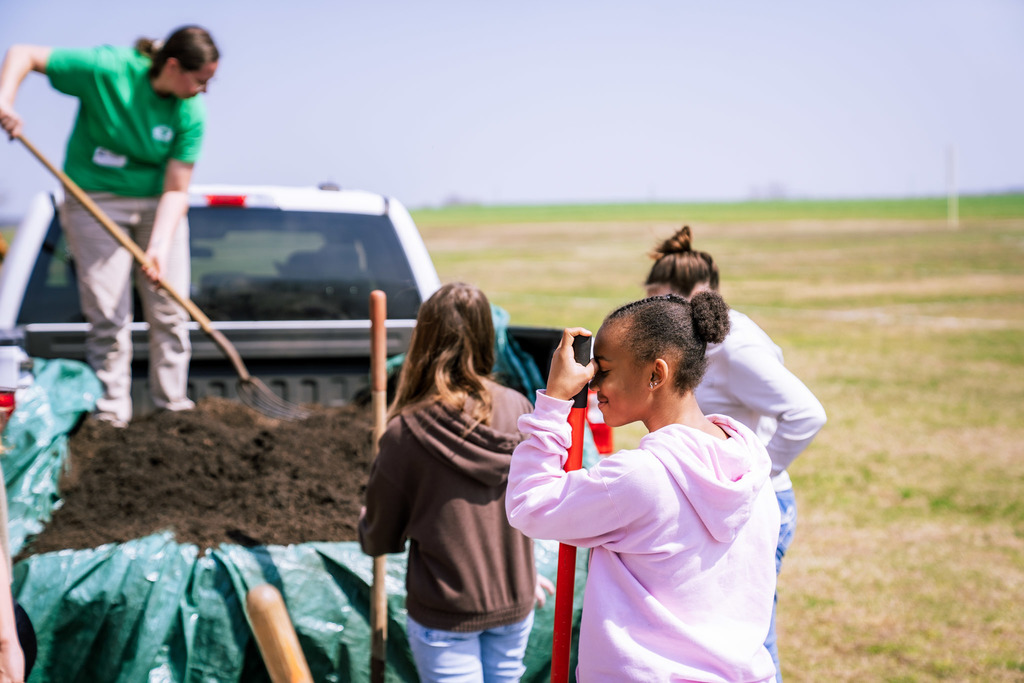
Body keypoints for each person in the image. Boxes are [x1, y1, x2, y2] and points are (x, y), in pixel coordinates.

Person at [506, 293, 780, 681]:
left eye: (603, 370)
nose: (593, 384)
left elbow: (528, 504)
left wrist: (554, 401)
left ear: (656, 374)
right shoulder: (753, 469)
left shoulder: (639, 478)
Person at [0, 26, 220, 427]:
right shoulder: (107, 69)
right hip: (94, 199)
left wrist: (157, 248)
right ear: (173, 66)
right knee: (108, 313)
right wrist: (5, 100)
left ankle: (173, 409)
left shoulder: (191, 111)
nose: (204, 90)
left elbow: (176, 190)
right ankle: (112, 413)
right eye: (200, 79)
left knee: (170, 310)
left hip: (157, 202)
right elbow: (23, 54)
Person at [644, 225, 828, 682]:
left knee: (752, 641)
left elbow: (806, 413)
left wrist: (752, 475)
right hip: (722, 504)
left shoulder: (735, 347)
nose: (649, 309)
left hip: (751, 504)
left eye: (655, 297)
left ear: (688, 293)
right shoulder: (701, 339)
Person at [359, 282, 548, 683]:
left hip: (446, 612)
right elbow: (532, 499)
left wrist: (367, 519)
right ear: (486, 336)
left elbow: (380, 539)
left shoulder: (405, 431)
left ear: (424, 339)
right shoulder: (519, 407)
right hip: (515, 599)